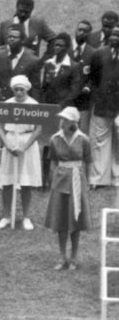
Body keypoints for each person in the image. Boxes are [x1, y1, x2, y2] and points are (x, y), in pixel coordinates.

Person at [44, 107, 92, 269]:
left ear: (73, 122)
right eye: (62, 119)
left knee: (76, 219)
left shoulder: (83, 139)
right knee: (61, 219)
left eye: (66, 119)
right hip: (61, 181)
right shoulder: (55, 139)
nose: (62, 122)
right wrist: (53, 180)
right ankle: (62, 256)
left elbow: (88, 161)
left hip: (78, 180)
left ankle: (74, 257)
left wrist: (87, 182)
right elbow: (53, 161)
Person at [0, 75, 42, 230]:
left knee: (26, 183)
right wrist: (8, 145)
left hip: (27, 143)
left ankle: (26, 217)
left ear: (26, 89)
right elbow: (0, 128)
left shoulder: (34, 105)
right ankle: (6, 216)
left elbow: (38, 129)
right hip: (10, 142)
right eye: (16, 90)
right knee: (7, 182)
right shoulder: (7, 104)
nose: (19, 93)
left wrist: (24, 147)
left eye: (21, 90)